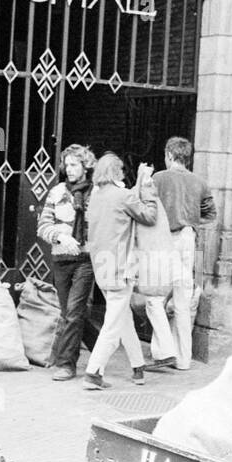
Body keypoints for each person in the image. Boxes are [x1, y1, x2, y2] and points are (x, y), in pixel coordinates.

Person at [82, 152, 157, 390]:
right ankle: (93, 372)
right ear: (116, 172)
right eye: (122, 170)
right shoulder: (123, 196)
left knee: (123, 318)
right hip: (121, 269)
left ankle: (138, 367)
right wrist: (148, 190)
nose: (123, 174)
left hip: (102, 268)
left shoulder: (95, 196)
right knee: (113, 325)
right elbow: (149, 216)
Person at [143, 136, 216, 370]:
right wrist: (191, 222)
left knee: (155, 296)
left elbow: (146, 208)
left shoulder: (158, 178)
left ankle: (162, 352)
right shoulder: (200, 182)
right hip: (188, 239)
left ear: (169, 155)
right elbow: (210, 214)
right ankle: (184, 358)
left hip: (165, 239)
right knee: (183, 300)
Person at [37, 144, 96, 381]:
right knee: (70, 312)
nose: (68, 169)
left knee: (73, 312)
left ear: (85, 166)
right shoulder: (57, 192)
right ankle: (101, 346)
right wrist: (61, 237)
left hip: (86, 261)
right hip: (61, 259)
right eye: (66, 165)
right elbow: (43, 226)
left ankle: (66, 364)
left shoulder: (97, 193)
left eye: (74, 165)